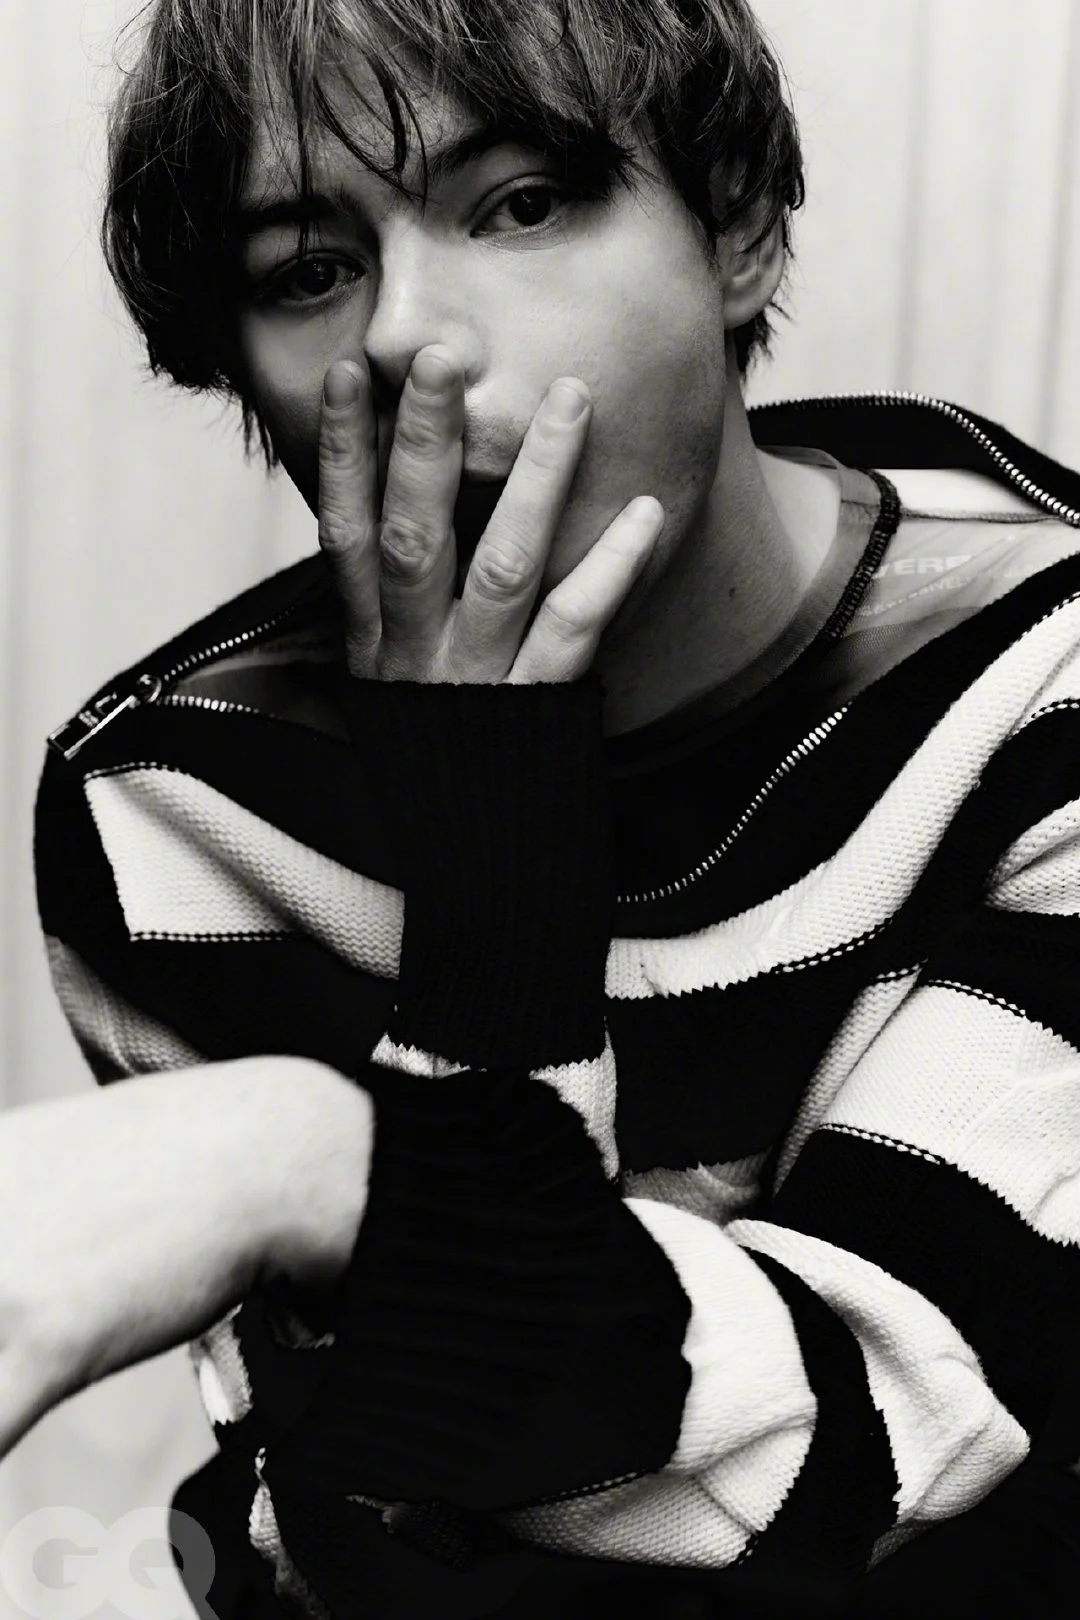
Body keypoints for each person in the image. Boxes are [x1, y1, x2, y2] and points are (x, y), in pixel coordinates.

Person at [9, 0, 1080, 1615]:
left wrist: (308, 1171)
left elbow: (868, 1465)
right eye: (308, 270)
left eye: (520, 204)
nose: (405, 339)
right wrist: (485, 871)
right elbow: (405, 1538)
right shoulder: (185, 812)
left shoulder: (1041, 695)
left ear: (737, 224)